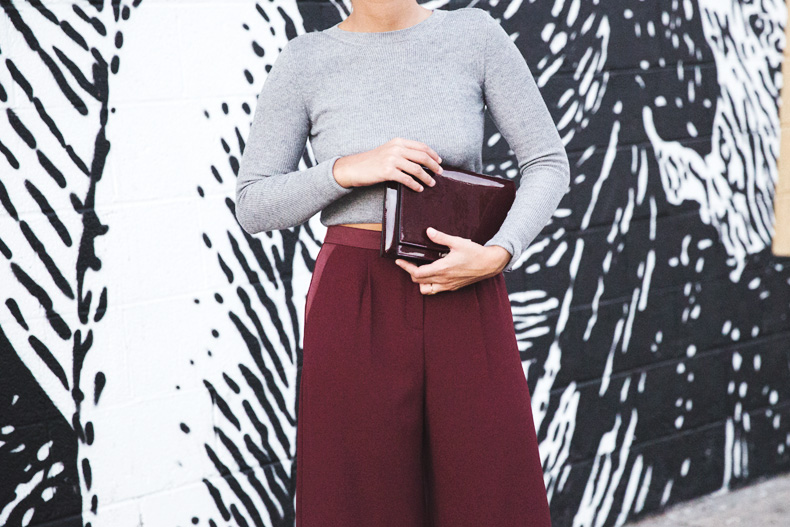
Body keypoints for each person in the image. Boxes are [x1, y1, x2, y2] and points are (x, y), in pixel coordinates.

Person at [235, 2, 570, 525]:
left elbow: (547, 162)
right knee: (359, 502)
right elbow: (254, 204)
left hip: (465, 284)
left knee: (491, 493)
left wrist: (499, 252)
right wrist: (346, 170)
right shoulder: (305, 60)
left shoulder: (474, 34)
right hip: (355, 298)